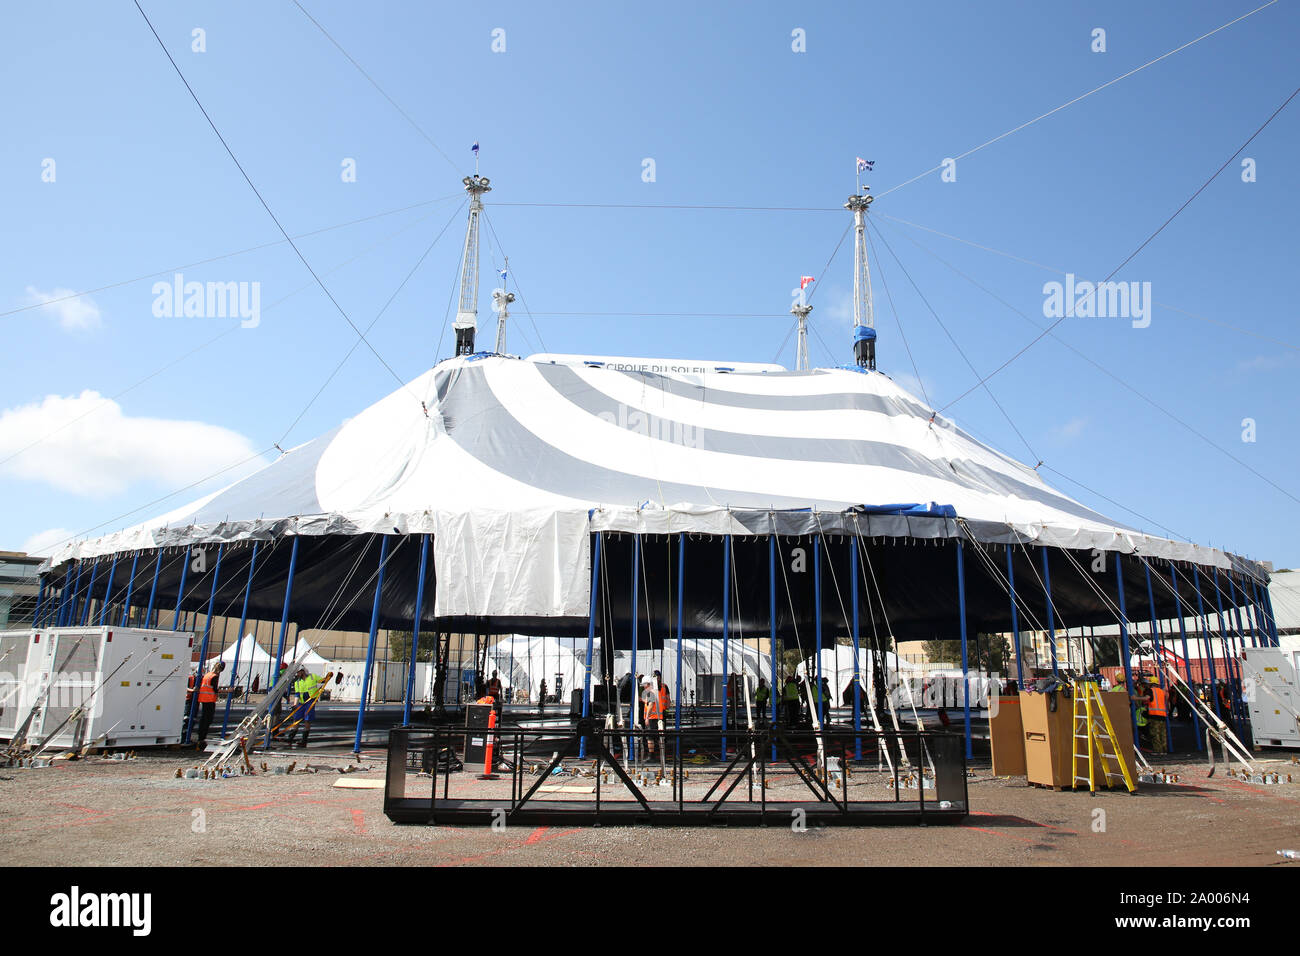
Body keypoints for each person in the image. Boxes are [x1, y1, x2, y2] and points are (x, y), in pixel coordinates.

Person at [286, 669, 324, 748]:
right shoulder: (297, 682)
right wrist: (295, 705)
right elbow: (297, 694)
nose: (297, 674)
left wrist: (328, 677)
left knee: (307, 720)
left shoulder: (312, 676)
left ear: (302, 671)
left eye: (298, 672)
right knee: (296, 719)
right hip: (301, 703)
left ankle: (304, 740)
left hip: (310, 702)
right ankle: (290, 738)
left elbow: (322, 680)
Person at [194, 661, 225, 748]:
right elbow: (215, 689)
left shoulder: (208, 675)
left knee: (204, 719)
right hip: (209, 700)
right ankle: (201, 738)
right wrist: (227, 691)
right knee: (207, 719)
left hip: (203, 699)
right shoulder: (214, 677)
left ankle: (201, 737)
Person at [641, 677, 663, 757]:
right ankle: (660, 756)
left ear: (647, 684)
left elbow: (650, 705)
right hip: (657, 717)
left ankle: (651, 755)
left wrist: (647, 717)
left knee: (650, 738)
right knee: (657, 737)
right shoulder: (656, 692)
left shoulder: (650, 693)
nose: (643, 686)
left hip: (652, 718)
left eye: (644, 684)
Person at [1147, 678, 1169, 753]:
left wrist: (1135, 698)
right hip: (1162, 715)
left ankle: (1158, 751)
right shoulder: (1161, 691)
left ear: (1151, 684)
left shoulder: (1151, 691)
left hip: (1154, 715)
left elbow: (1147, 698)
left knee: (1155, 734)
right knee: (1163, 734)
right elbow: (1166, 700)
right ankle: (1164, 750)